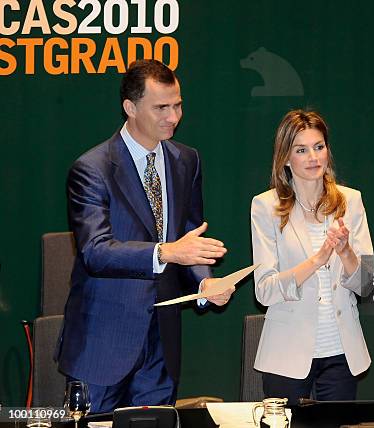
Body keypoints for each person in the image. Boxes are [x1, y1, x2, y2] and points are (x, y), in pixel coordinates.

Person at [56, 59, 235, 413]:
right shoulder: (92, 169)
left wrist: (204, 284)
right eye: (161, 107)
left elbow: (189, 235)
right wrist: (166, 252)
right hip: (103, 344)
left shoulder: (188, 160)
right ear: (130, 108)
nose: (173, 116)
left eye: (178, 105)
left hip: (162, 349)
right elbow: (95, 251)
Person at [250, 109, 373, 404]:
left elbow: (367, 284)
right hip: (287, 354)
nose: (313, 157)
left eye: (319, 147)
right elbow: (264, 290)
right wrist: (317, 260)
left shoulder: (350, 201)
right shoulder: (266, 206)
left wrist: (344, 253)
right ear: (286, 158)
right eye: (301, 150)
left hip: (342, 352)